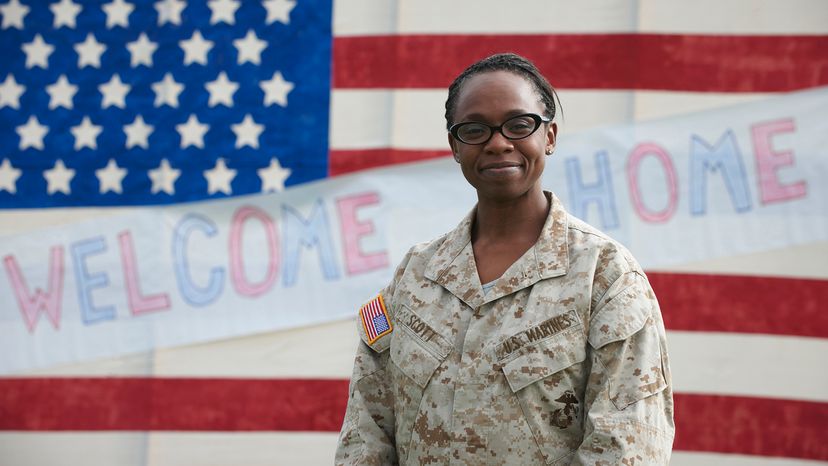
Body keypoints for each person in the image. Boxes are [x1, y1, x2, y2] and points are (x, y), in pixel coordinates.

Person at [336, 53, 674, 465]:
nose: (498, 143)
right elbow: (366, 432)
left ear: (549, 136)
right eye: (475, 130)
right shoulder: (415, 274)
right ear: (455, 146)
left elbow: (626, 448)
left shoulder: (604, 275)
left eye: (519, 125)